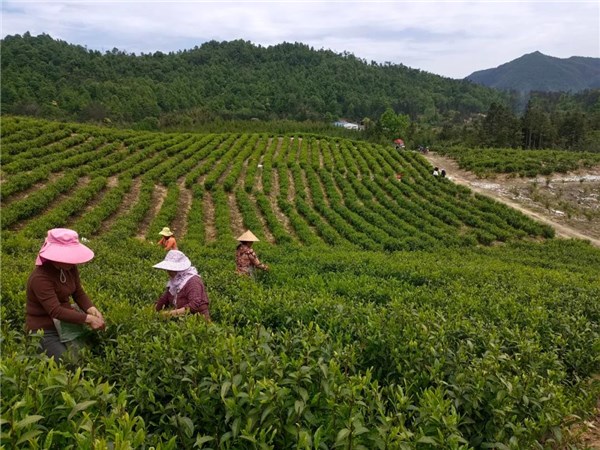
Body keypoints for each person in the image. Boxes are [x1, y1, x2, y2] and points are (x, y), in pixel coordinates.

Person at [26, 228, 105, 362]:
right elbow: (55, 310)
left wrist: (91, 308)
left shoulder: (70, 268)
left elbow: (78, 292)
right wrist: (88, 319)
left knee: (85, 359)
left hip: (66, 324)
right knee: (67, 362)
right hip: (44, 329)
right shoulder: (40, 278)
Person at [153, 250, 210, 320]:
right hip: (181, 319)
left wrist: (169, 314)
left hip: (198, 320)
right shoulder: (174, 282)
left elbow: (194, 305)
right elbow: (164, 298)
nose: (168, 272)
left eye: (170, 269)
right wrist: (153, 311)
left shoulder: (193, 281)